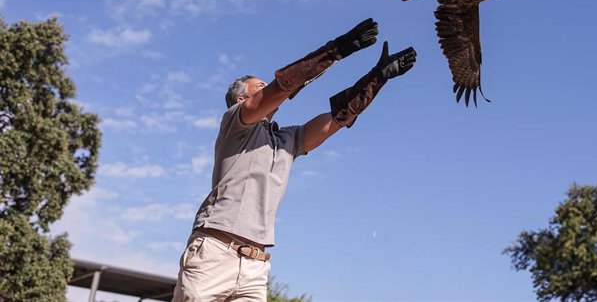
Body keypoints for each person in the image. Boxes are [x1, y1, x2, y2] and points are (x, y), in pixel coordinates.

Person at [172, 18, 416, 301]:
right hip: (214, 253)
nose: (269, 89)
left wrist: (377, 78)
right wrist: (337, 50)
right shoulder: (235, 125)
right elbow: (281, 88)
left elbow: (336, 120)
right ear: (241, 100)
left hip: (255, 267)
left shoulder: (286, 141)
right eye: (260, 86)